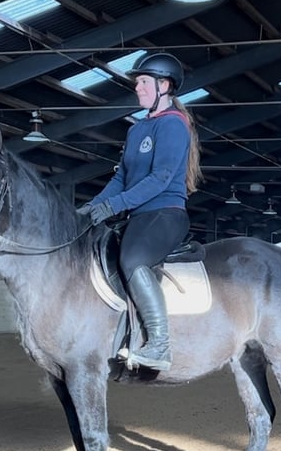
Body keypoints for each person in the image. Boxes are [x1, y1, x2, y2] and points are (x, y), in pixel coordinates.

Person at [76, 52, 203, 371]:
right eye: (137, 82)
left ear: (165, 85)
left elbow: (160, 178)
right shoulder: (136, 130)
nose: (138, 87)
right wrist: (93, 207)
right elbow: (121, 178)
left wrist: (114, 206)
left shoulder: (174, 125)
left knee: (132, 259)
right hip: (138, 215)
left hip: (165, 213)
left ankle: (160, 344)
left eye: (143, 82)